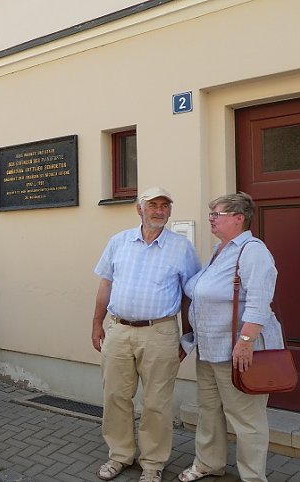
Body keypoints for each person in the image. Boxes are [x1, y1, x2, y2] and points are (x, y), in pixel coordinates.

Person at [91, 187, 201, 482]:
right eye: (153, 205)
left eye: (165, 205)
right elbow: (106, 285)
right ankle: (120, 455)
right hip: (119, 329)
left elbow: (190, 295)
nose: (159, 210)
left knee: (156, 402)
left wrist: (187, 337)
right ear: (139, 209)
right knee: (115, 395)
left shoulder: (182, 248)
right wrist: (96, 324)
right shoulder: (119, 242)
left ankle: (153, 463)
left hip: (161, 332)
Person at [178, 193, 283, 482]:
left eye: (218, 214)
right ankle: (209, 463)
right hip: (209, 348)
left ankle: (252, 477)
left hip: (236, 351)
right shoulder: (220, 249)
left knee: (247, 419)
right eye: (211, 213)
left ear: (239, 218)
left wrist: (246, 343)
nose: (211, 218)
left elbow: (259, 301)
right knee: (209, 411)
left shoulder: (252, 251)